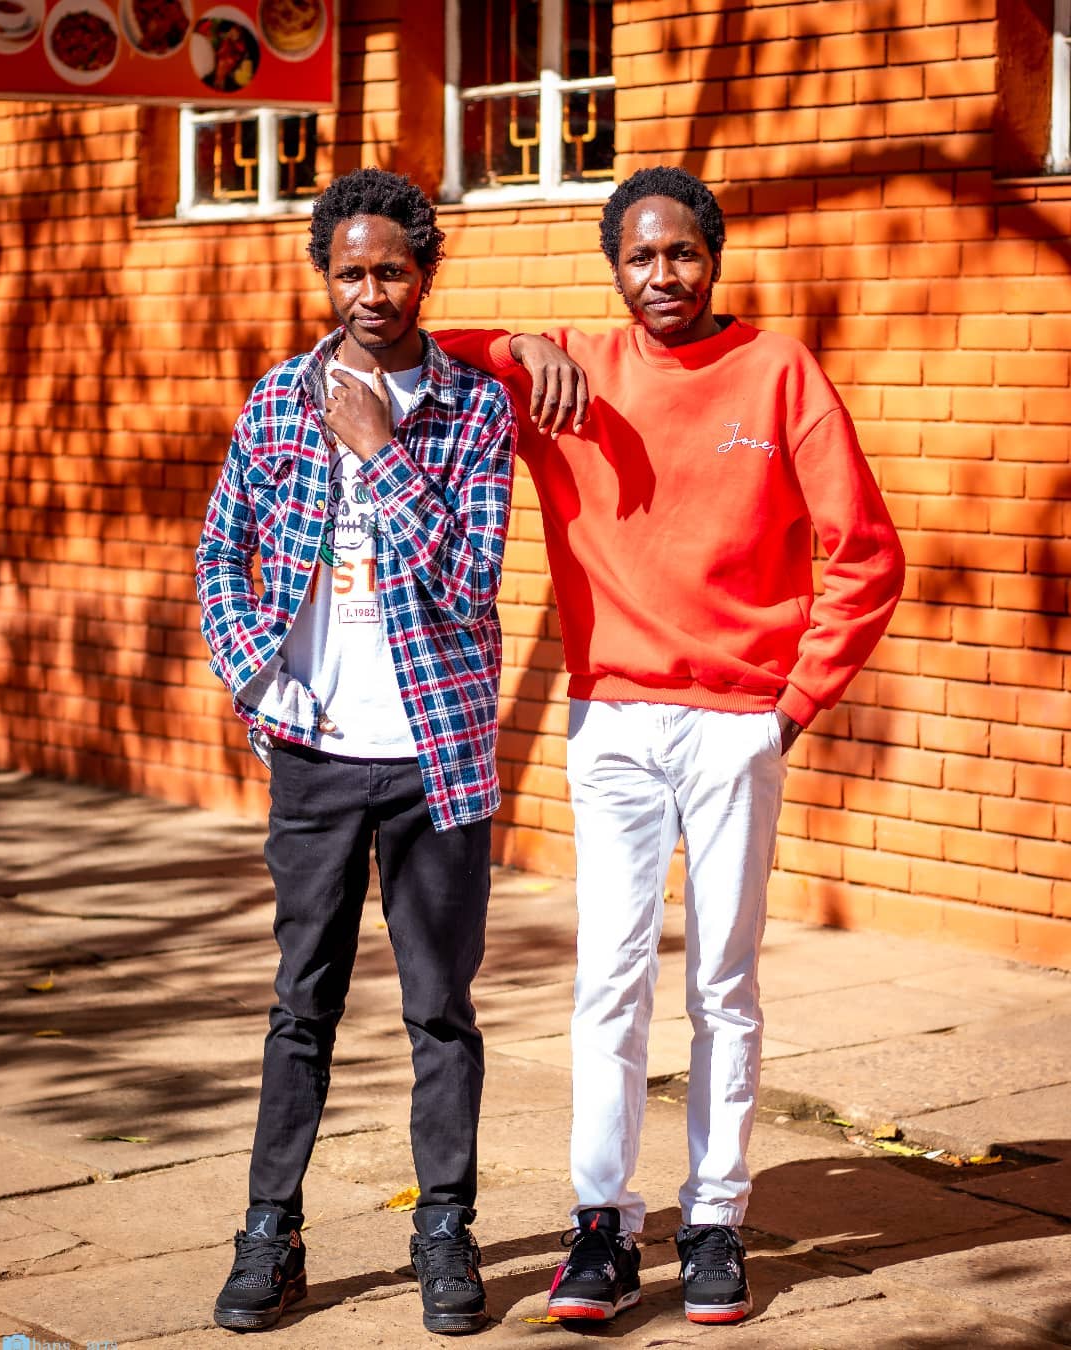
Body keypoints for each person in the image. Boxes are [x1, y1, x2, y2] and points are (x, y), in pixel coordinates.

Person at [437, 165, 905, 1326]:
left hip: (739, 724)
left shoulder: (780, 372)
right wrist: (517, 342)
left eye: (683, 252)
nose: (663, 275)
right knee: (609, 980)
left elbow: (865, 554)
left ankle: (716, 1221)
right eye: (641, 256)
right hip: (612, 722)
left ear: (713, 258)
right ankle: (600, 1225)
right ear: (614, 268)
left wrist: (791, 706)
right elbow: (401, 341)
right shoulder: (569, 370)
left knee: (722, 985)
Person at [196, 168, 515, 1336]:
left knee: (440, 1010)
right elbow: (218, 551)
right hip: (316, 755)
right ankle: (269, 1234)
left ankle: (444, 1230)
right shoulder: (279, 399)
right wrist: (253, 671)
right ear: (324, 276)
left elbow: (468, 581)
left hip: (436, 758)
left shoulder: (475, 412)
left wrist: (380, 449)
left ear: (425, 274)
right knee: (302, 1003)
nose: (370, 293)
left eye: (391, 271)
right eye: (350, 272)